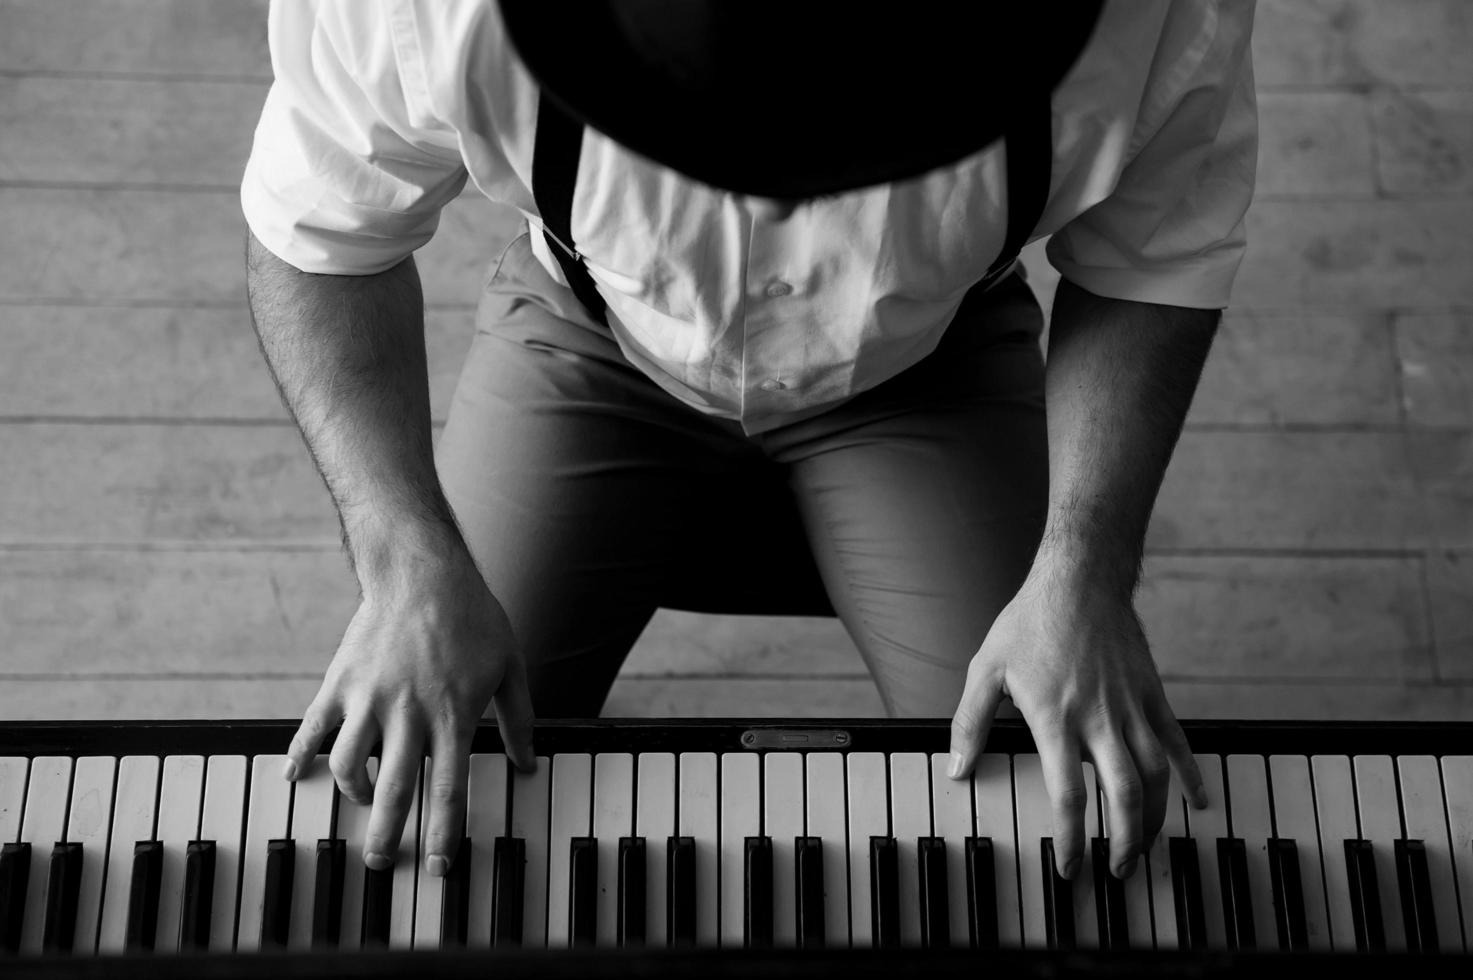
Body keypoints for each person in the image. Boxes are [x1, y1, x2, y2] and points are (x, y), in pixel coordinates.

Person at [244, 0, 1257, 891]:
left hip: (932, 367)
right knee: (421, 806)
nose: (785, 198)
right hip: (589, 341)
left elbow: (1153, 259)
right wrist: (406, 565)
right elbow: (320, 232)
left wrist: (1084, 572)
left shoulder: (1145, 12)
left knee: (1054, 827)